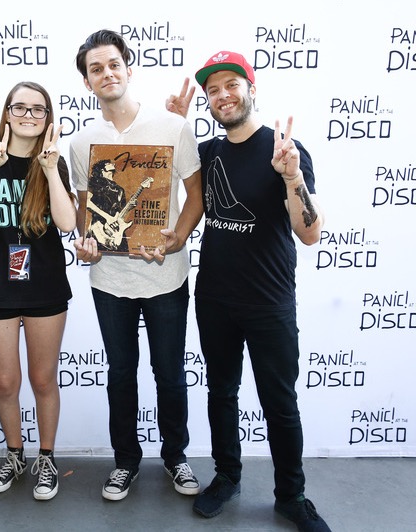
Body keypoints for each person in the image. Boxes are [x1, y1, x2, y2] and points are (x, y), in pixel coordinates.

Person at [166, 51, 330, 531]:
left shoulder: (284, 150)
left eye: (230, 85)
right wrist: (177, 126)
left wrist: (292, 176)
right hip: (214, 297)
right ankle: (227, 476)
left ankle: (292, 495)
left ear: (250, 89)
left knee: (279, 401)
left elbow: (311, 233)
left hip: (269, 301)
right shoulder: (210, 153)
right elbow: (176, 177)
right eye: (213, 90)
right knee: (221, 392)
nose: (222, 95)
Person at [70, 29, 204, 502]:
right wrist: (86, 243)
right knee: (121, 373)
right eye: (95, 69)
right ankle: (125, 461)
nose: (106, 74)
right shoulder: (82, 142)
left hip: (167, 276)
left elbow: (196, 195)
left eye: (112, 64)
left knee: (169, 372)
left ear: (128, 68)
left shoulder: (172, 126)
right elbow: (86, 215)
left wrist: (178, 238)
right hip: (110, 280)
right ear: (88, 82)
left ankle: (176, 457)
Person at [0, 81, 76, 500]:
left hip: (45, 288)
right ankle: (14, 455)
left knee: (44, 380)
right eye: (20, 108)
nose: (28, 115)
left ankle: (46, 458)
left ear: (48, 118)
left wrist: (48, 169)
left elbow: (66, 223)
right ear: (7, 113)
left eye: (38, 109)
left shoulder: (54, 163)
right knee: (6, 383)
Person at [85, 159, 130, 252]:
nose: (112, 164)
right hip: (99, 227)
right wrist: (107, 217)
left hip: (115, 229)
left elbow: (119, 211)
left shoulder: (120, 189)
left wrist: (130, 207)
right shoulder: (94, 183)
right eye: (108, 164)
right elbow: (87, 202)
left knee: (122, 251)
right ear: (102, 169)